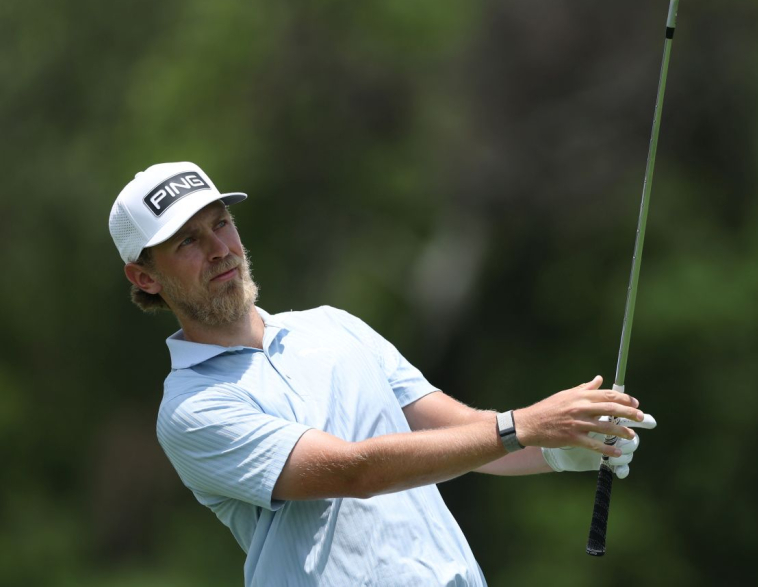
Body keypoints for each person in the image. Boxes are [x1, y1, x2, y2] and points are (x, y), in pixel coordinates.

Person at [109, 161, 656, 587]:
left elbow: (459, 431)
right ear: (146, 277)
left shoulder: (332, 326)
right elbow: (351, 473)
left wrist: (561, 446)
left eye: (221, 224)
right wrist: (525, 425)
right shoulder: (190, 408)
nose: (220, 250)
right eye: (188, 241)